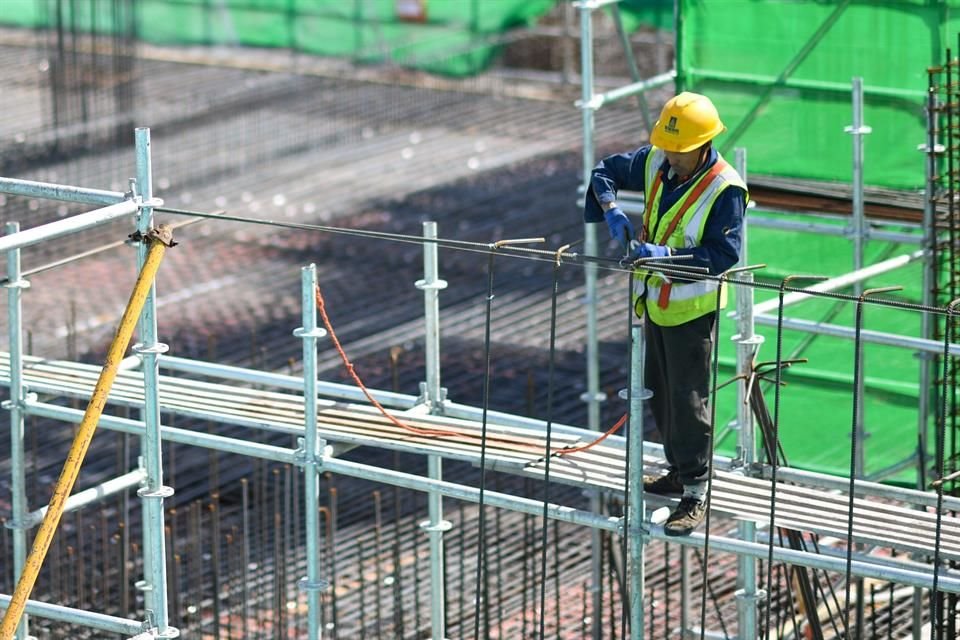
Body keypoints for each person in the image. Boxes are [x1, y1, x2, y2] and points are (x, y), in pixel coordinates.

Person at [583, 92, 748, 536]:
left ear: (704, 144)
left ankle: (696, 491)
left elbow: (723, 253)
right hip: (656, 301)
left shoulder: (724, 188)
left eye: (681, 150)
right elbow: (605, 172)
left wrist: (664, 254)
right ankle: (679, 468)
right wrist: (610, 207)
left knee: (689, 399)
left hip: (692, 309)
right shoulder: (659, 158)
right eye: (669, 147)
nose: (672, 156)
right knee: (658, 390)